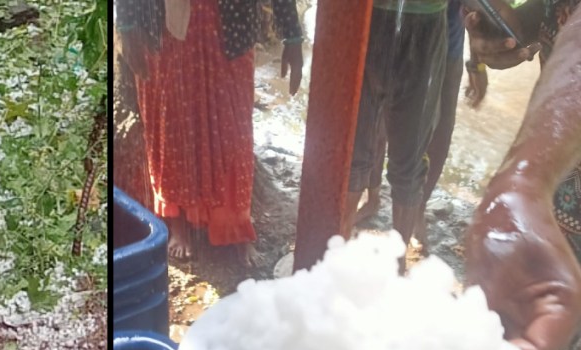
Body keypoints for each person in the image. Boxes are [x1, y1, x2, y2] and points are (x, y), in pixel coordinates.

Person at [463, 0, 581, 350]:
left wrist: (523, 180)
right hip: (548, 198)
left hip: (542, 186)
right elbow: (535, 27)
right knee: (530, 323)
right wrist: (498, 28)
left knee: (548, 333)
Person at [116, 0, 304, 265]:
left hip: (231, 25)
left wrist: (292, 36)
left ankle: (234, 225)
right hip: (163, 25)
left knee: (233, 128)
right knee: (171, 123)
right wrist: (127, 25)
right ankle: (178, 221)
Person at [354, 1, 489, 255]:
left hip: (443, 36)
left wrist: (477, 62)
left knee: (437, 130)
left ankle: (417, 208)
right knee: (376, 125)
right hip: (385, 21)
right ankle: (372, 197)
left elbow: (475, 10)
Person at [344, 0, 450, 264]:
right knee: (353, 150)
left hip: (424, 21)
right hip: (366, 14)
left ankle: (397, 265)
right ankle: (336, 253)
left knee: (409, 156)